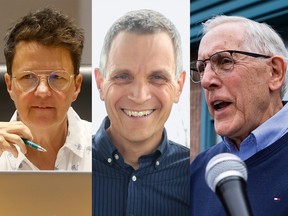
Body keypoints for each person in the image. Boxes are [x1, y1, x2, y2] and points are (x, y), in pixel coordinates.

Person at [92, 9, 190, 216]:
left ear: (179, 86)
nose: (139, 96)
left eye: (157, 77)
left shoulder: (198, 177)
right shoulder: (65, 168)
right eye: (123, 76)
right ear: (100, 84)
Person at [190, 15, 288, 216]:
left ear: (275, 72)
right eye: (202, 68)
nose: (207, 80)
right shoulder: (198, 169)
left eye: (225, 61)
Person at [0, 8, 91, 171]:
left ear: (76, 87)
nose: (43, 91)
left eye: (57, 77)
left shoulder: (110, 149)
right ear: (9, 85)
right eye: (28, 77)